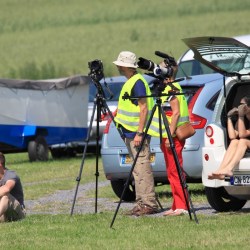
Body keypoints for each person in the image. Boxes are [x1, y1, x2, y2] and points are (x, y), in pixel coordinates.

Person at [113, 51, 159, 216]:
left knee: (142, 167)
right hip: (130, 133)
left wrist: (140, 133)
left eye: (120, 64)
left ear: (126, 66)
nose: (117, 66)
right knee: (137, 170)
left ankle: (148, 203)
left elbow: (143, 108)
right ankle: (141, 203)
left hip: (137, 133)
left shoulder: (137, 82)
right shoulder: (132, 81)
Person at [158, 61, 190, 216]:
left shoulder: (172, 88)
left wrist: (169, 136)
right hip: (168, 135)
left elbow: (175, 113)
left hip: (174, 136)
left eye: (161, 67)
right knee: (171, 171)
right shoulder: (169, 88)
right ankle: (176, 204)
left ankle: (182, 206)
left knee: (175, 171)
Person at [208, 96, 250, 180]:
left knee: (242, 141)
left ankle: (229, 169)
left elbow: (242, 135)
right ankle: (220, 170)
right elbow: (233, 136)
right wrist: (229, 118)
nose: (240, 107)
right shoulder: (242, 119)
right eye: (239, 105)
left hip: (246, 142)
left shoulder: (242, 117)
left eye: (242, 105)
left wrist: (241, 116)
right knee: (234, 142)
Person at [0, 152, 26, 222]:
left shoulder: (11, 175)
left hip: (18, 212)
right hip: (3, 212)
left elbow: (6, 189)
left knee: (5, 195)